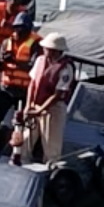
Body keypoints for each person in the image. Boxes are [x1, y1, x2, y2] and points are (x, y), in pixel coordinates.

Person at [15, 32, 75, 166]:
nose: (44, 50)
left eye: (47, 48)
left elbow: (57, 94)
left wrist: (40, 110)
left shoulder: (66, 68)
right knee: (26, 138)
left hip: (53, 108)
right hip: (36, 104)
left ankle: (51, 166)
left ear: (56, 51)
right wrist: (28, 105)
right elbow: (33, 83)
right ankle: (21, 161)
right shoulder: (40, 60)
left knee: (51, 142)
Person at [0, 10, 38, 151]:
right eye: (16, 28)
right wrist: (2, 59)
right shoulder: (6, 42)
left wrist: (14, 61)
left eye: (22, 28)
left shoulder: (35, 43)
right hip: (7, 88)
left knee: (26, 124)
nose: (18, 31)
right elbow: (0, 66)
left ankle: (23, 149)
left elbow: (34, 66)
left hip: (25, 91)